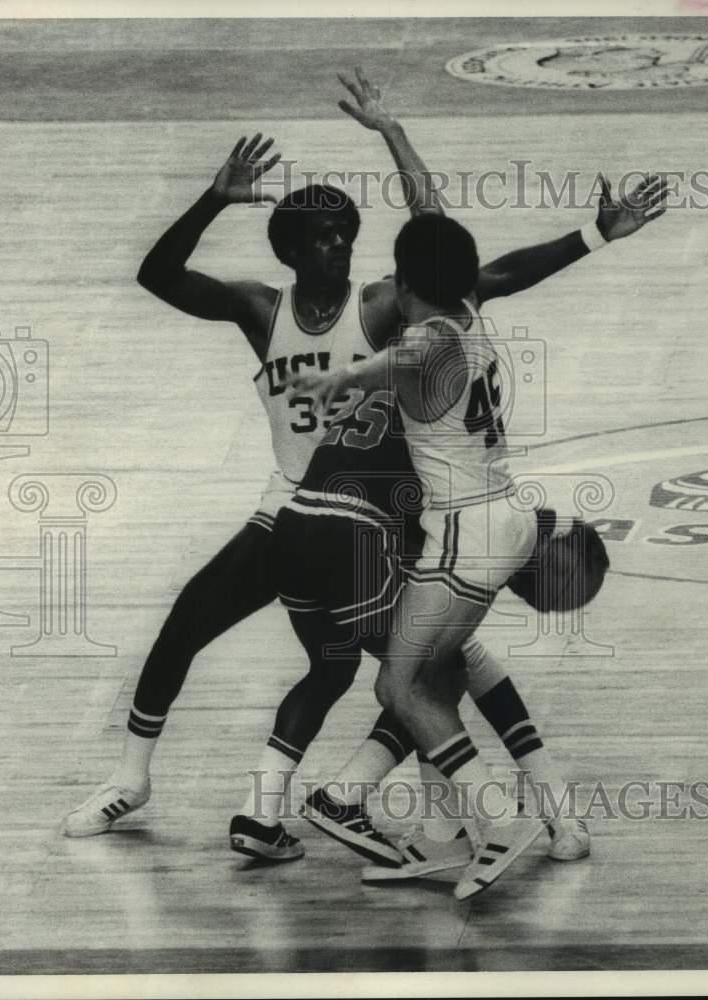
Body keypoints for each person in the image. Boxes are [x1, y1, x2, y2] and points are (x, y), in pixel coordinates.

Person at [62, 69, 664, 842]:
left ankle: (451, 813)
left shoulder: (385, 305)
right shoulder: (259, 309)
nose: (341, 245)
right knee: (197, 624)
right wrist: (215, 197)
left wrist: (591, 234)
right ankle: (133, 779)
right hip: (295, 502)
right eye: (324, 237)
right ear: (290, 251)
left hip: (383, 510)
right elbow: (157, 276)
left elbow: (486, 270)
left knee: (428, 668)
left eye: (346, 233)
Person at [287, 213, 623, 900]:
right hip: (506, 517)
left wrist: (341, 376)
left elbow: (399, 361)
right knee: (441, 673)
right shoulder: (468, 310)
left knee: (400, 686)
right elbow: (430, 210)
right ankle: (422, 823)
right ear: (462, 277)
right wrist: (395, 134)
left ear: (405, 284)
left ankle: (499, 819)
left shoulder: (422, 341)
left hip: (464, 539)